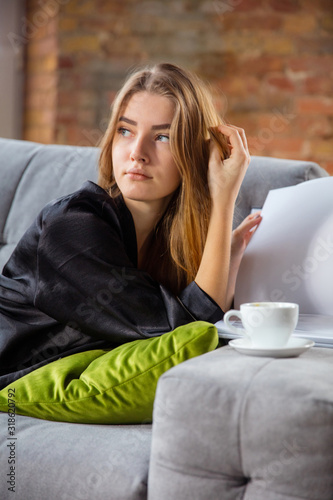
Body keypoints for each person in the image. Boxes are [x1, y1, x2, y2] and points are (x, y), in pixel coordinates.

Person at [0, 63, 261, 390]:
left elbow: (202, 329)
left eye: (162, 137)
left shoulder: (168, 242)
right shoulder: (71, 227)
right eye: (125, 130)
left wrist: (229, 254)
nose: (137, 153)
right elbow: (182, 335)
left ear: (195, 155)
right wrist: (224, 199)